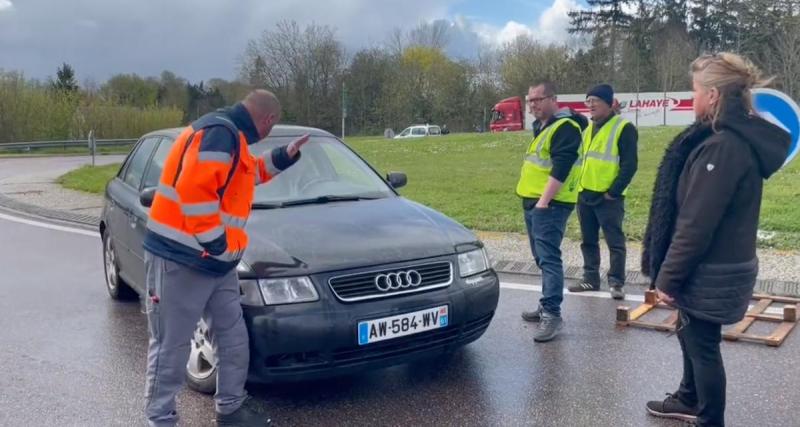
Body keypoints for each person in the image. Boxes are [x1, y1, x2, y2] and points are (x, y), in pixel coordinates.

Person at [142, 90, 309, 427]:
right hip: (182, 259)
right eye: (272, 131)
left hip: (217, 263)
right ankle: (160, 419)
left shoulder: (231, 137)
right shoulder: (220, 134)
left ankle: (231, 408)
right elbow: (194, 190)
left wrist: (283, 156)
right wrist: (214, 241)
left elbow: (249, 175)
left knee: (232, 337)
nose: (270, 135)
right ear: (268, 120)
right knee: (171, 343)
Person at [642, 53, 790, 426]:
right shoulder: (727, 141)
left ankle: (710, 419)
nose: (691, 99)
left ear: (712, 96)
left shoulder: (723, 148)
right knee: (688, 331)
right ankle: (689, 399)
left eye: (694, 91)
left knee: (702, 346)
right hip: (719, 264)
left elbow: (696, 223)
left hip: (712, 270)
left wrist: (667, 278)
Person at [516, 81, 585, 342]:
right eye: (530, 100)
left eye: (538, 99)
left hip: (550, 204)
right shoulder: (542, 126)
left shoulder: (565, 127)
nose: (533, 104)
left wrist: (544, 202)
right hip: (534, 202)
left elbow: (562, 167)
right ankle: (546, 304)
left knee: (549, 258)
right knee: (541, 258)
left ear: (553, 99)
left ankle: (553, 314)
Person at [568, 84, 638, 300]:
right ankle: (591, 278)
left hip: (608, 198)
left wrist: (614, 192)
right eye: (587, 101)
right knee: (588, 240)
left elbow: (630, 165)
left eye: (594, 100)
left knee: (614, 241)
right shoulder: (589, 129)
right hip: (585, 194)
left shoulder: (623, 128)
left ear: (608, 103)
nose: (590, 105)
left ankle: (616, 281)